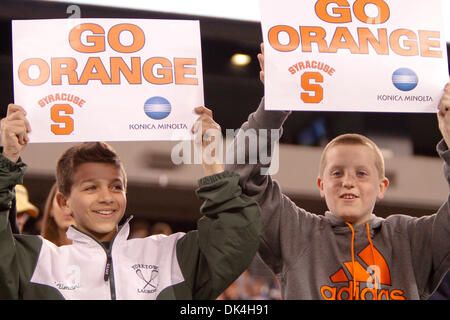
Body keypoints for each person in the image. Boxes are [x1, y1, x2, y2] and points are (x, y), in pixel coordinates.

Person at [224, 43, 450, 300]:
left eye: (362, 173)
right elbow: (239, 178)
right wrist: (275, 106)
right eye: (337, 173)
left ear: (382, 186)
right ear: (321, 185)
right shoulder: (295, 233)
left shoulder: (410, 240)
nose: (348, 182)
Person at [0, 104, 260, 300]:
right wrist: (8, 159)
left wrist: (213, 162)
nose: (106, 197)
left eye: (116, 186)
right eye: (91, 187)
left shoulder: (170, 256)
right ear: (64, 201)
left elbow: (236, 238)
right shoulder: (37, 262)